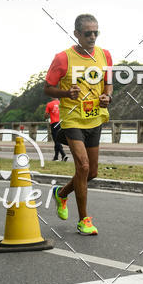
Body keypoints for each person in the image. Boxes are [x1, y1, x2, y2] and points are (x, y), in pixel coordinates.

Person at [44, 14, 112, 235]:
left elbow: (108, 84)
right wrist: (66, 92)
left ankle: (61, 193)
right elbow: (47, 89)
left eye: (96, 32)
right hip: (72, 118)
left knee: (91, 172)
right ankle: (84, 220)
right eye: (87, 33)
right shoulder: (63, 58)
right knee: (82, 167)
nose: (92, 37)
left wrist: (107, 97)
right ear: (76, 34)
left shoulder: (105, 55)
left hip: (95, 117)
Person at [45, 97, 68, 161]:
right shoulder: (62, 103)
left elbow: (46, 115)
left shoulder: (49, 104)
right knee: (57, 141)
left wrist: (47, 115)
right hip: (61, 123)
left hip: (54, 123)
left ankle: (63, 154)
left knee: (56, 140)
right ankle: (56, 157)